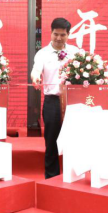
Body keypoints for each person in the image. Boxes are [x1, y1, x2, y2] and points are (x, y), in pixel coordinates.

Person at [31, 17, 79, 179]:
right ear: (50, 33)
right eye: (55, 34)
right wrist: (35, 77)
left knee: (74, 138)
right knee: (51, 139)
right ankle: (51, 177)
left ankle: (74, 174)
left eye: (62, 35)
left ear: (68, 34)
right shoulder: (42, 53)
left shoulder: (76, 52)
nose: (58, 38)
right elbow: (36, 70)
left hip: (73, 102)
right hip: (52, 101)